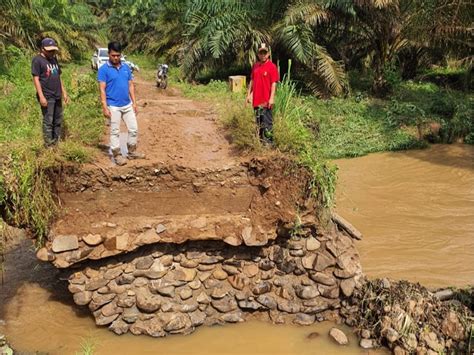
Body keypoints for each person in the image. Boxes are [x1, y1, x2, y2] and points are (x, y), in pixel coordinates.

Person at [98, 41, 144, 166]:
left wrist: (134, 103)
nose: (116, 58)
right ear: (109, 54)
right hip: (113, 105)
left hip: (127, 104)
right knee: (115, 131)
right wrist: (104, 106)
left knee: (133, 128)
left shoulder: (126, 68)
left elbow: (130, 85)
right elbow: (102, 88)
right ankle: (117, 155)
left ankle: (132, 151)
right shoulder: (103, 70)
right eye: (113, 55)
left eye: (118, 55)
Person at [32, 37, 69, 146]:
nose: (52, 52)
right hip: (47, 96)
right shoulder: (37, 60)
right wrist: (41, 96)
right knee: (48, 121)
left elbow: (58, 76)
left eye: (53, 50)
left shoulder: (54, 59)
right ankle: (48, 145)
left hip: (57, 95)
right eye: (49, 50)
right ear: (42, 49)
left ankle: (55, 143)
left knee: (57, 120)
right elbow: (36, 79)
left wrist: (64, 92)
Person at [246, 43, 279, 144]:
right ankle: (260, 142)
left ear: (268, 54)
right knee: (259, 123)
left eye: (265, 53)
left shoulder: (272, 67)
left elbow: (274, 83)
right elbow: (252, 81)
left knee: (267, 123)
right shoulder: (256, 66)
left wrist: (271, 98)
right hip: (256, 101)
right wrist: (248, 95)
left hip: (266, 101)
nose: (263, 55)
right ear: (258, 54)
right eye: (261, 53)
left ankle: (269, 144)